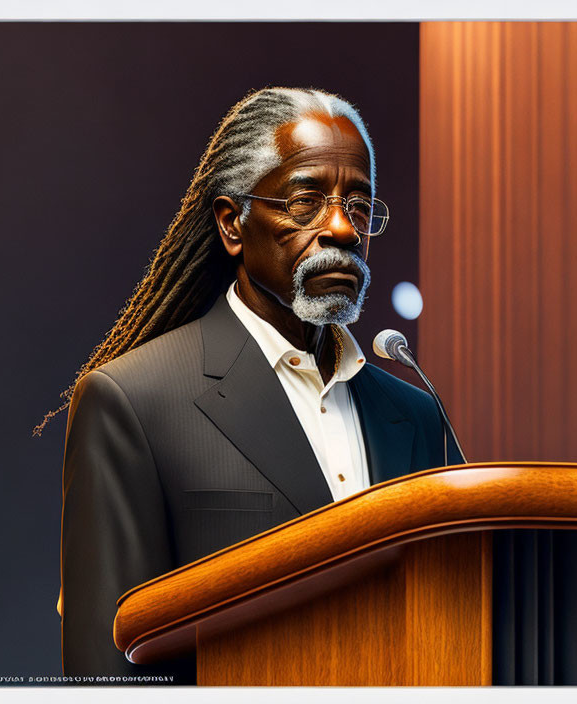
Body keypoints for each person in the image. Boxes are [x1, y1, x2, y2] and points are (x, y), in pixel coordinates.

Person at [43, 87, 463, 678]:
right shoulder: (133, 403)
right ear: (232, 224)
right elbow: (104, 670)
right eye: (305, 201)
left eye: (360, 207)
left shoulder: (415, 415)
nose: (343, 229)